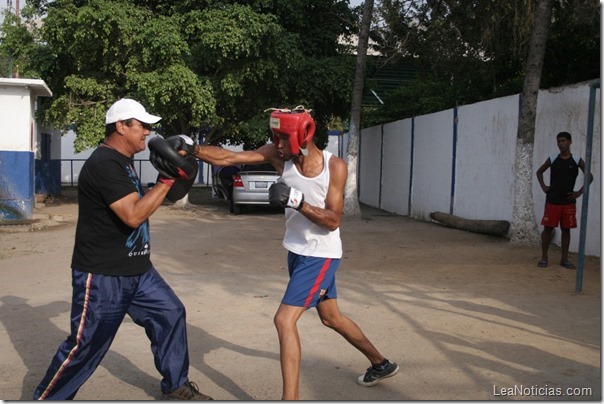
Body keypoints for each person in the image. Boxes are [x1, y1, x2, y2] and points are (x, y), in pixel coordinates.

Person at [178, 106, 399, 400]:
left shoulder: (335, 167)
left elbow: (333, 221)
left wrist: (297, 201)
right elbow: (230, 157)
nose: (277, 144)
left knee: (284, 320)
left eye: (283, 138)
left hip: (321, 254)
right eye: (275, 138)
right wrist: (193, 149)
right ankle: (381, 364)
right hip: (296, 252)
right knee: (331, 317)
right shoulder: (277, 154)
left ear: (303, 136)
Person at [33, 98, 212, 400]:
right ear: (120, 126)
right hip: (104, 275)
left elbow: (146, 201)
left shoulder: (123, 162)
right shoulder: (104, 164)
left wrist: (169, 182)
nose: (147, 133)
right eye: (141, 126)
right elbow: (133, 215)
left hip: (139, 271)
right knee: (86, 345)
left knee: (170, 313)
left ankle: (176, 384)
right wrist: (167, 180)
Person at [536, 131, 593, 269]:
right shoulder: (553, 158)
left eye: (563, 141)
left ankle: (564, 259)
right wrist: (544, 186)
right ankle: (544, 257)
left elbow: (589, 176)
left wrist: (579, 192)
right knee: (548, 229)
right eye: (559, 141)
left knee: (566, 230)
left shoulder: (577, 160)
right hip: (552, 201)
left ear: (570, 142)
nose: (561, 144)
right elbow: (539, 172)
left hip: (568, 202)